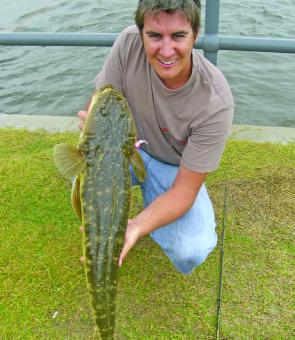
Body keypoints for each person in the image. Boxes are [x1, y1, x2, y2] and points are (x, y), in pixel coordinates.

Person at [78, 0, 234, 275]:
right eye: (154, 35)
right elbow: (102, 98)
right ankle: (103, 221)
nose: (166, 50)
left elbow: (184, 191)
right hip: (126, 150)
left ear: (196, 34)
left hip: (174, 169)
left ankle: (146, 215)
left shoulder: (216, 102)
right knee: (79, 175)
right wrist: (93, 119)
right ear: (141, 34)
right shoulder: (127, 44)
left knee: (192, 248)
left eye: (178, 36)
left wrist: (136, 225)